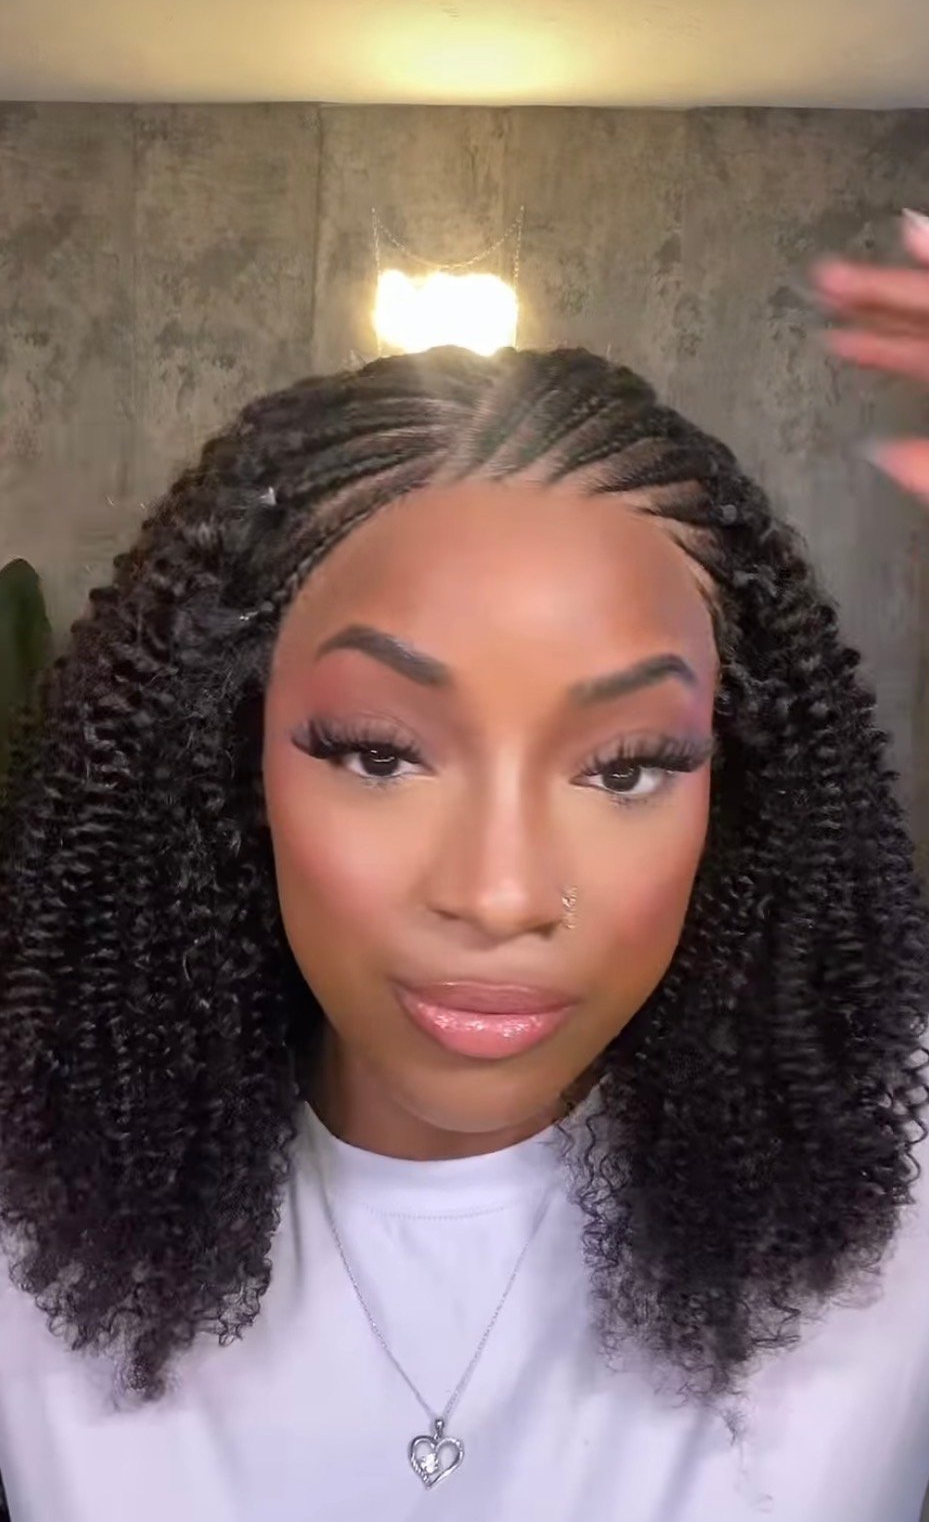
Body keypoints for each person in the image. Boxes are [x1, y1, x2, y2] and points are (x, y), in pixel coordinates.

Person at [1, 220, 929, 1522]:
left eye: (626, 769)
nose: (500, 894)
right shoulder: (33, 1189)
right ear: (229, 762)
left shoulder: (895, 1173)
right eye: (379, 754)